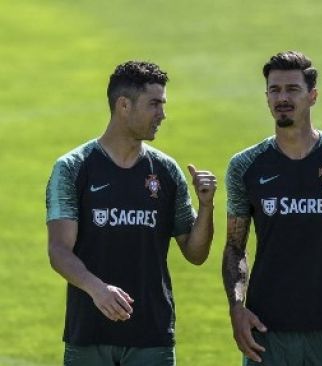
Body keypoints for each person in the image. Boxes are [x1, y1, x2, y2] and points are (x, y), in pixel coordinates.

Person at [46, 61, 217, 366]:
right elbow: (59, 250)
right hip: (89, 334)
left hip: (151, 336)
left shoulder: (166, 171)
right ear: (124, 105)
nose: (162, 115)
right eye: (154, 104)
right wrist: (97, 289)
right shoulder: (74, 168)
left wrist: (206, 207)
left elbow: (195, 252)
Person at [222, 51, 322, 366]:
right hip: (267, 332)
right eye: (274, 90)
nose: (282, 98)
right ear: (266, 97)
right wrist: (236, 308)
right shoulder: (245, 166)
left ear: (313, 96)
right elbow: (235, 247)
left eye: (292, 89)